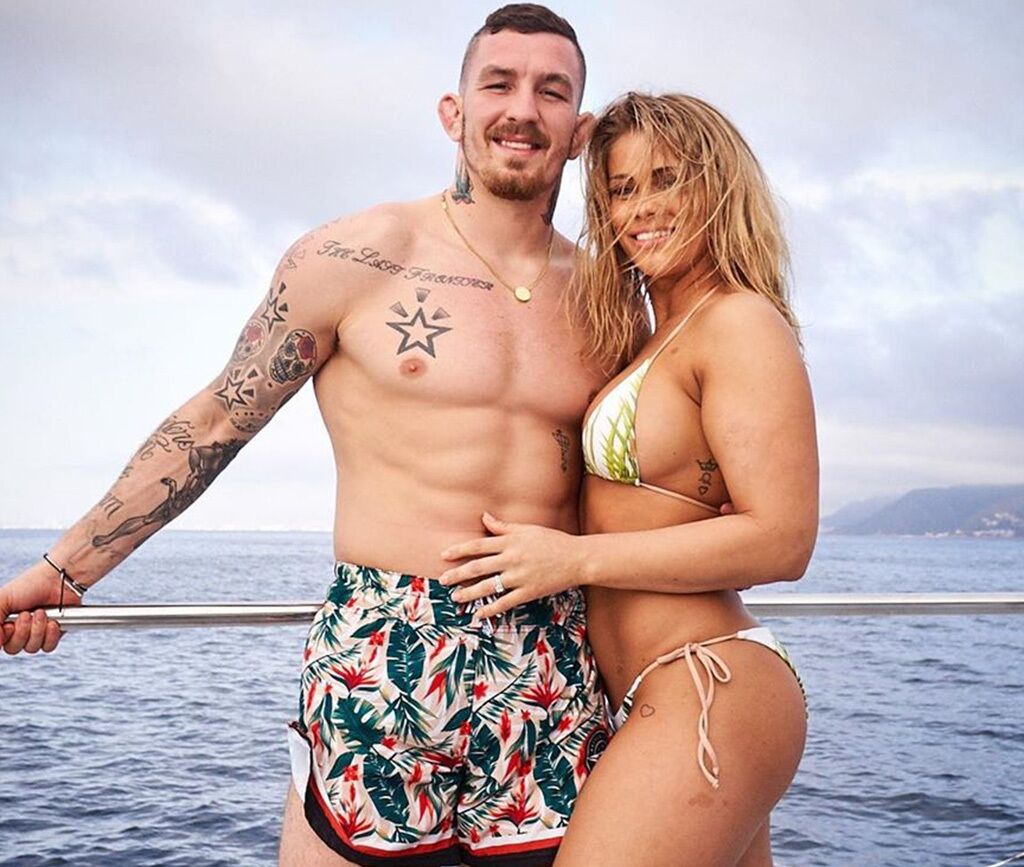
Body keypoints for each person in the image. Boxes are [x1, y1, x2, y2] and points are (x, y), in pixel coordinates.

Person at [0, 6, 613, 866]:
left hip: (553, 656)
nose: (523, 109)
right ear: (454, 111)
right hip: (387, 644)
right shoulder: (355, 256)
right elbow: (218, 418)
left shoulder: (606, 295)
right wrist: (64, 570)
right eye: (499, 84)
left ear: (579, 129)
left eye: (552, 91)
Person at [438, 92, 818, 866]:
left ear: (718, 187)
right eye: (621, 188)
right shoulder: (656, 335)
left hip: (706, 682)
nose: (641, 208)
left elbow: (784, 539)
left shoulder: (738, 321)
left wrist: (572, 559)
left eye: (666, 180)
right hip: (654, 693)